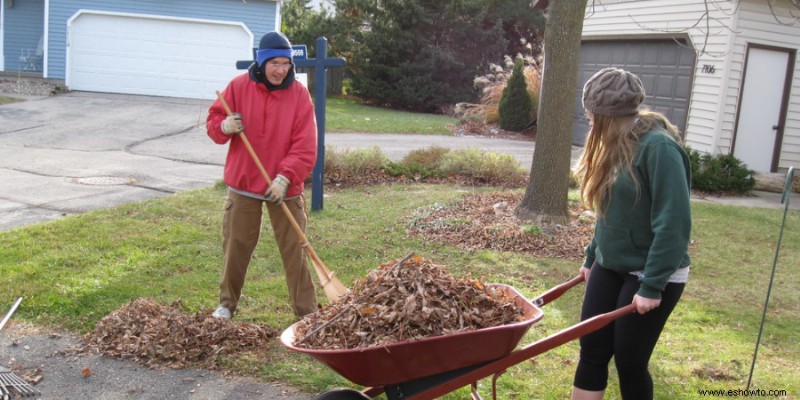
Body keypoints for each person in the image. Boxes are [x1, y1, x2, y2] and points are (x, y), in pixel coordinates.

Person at [571, 67, 692, 400]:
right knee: (592, 347)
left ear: (607, 114)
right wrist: (593, 256)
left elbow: (674, 223)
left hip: (654, 271)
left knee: (630, 360)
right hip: (612, 264)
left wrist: (653, 285)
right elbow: (609, 209)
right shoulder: (615, 142)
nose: (589, 121)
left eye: (592, 115)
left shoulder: (659, 149)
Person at [206, 31, 318, 319]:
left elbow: (305, 144)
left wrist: (286, 177)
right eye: (274, 63)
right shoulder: (238, 87)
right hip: (244, 182)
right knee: (236, 246)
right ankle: (226, 305)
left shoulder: (299, 95)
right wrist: (225, 126)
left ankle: (306, 312)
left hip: (285, 187)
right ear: (262, 61)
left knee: (295, 249)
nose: (280, 69)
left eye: (285, 63)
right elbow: (214, 122)